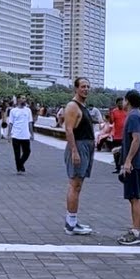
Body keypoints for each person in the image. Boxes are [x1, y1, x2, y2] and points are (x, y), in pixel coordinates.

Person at [61, 78, 95, 235]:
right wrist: (74, 151)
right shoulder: (72, 106)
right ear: (76, 89)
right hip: (79, 146)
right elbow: (68, 130)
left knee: (78, 184)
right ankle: (71, 224)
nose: (86, 89)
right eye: (82, 86)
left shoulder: (83, 106)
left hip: (86, 146)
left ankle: (73, 221)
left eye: (88, 87)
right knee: (75, 184)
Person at [118, 89, 140, 245]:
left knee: (134, 198)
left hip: (135, 164)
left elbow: (136, 139)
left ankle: (136, 230)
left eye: (124, 100)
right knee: (139, 196)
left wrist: (128, 160)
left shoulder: (133, 117)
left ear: (127, 101)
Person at [8, 95, 34, 174]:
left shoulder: (28, 110)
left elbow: (30, 123)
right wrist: (9, 135)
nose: (24, 100)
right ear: (18, 100)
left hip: (25, 135)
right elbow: (10, 123)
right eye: (22, 98)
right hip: (16, 135)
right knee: (17, 153)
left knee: (27, 152)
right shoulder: (13, 111)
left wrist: (31, 134)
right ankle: (19, 168)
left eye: (24, 98)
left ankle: (21, 163)